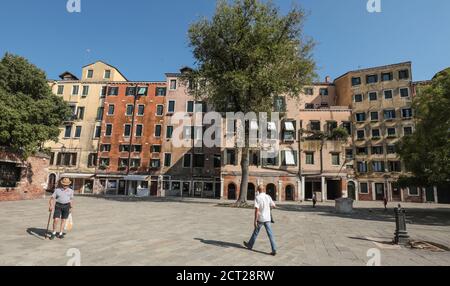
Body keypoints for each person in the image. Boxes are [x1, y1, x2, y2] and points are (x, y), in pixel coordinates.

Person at [243, 185, 277, 256]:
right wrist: (268, 208)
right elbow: (274, 205)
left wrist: (255, 220)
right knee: (270, 234)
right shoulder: (268, 196)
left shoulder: (257, 198)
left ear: (258, 190)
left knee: (256, 232)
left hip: (261, 218)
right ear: (264, 189)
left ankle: (250, 245)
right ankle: (274, 249)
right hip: (268, 218)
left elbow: (256, 210)